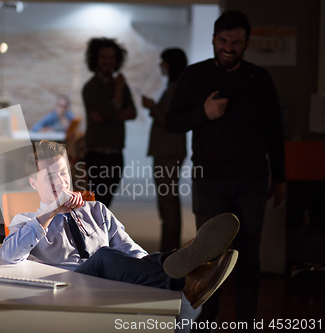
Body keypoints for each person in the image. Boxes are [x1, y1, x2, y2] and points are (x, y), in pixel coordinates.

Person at [1, 140, 240, 310]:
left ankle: (186, 266)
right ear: (33, 182)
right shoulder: (27, 221)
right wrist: (52, 210)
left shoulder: (95, 209)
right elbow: (9, 254)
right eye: (50, 177)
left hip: (110, 280)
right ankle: (187, 282)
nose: (61, 182)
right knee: (104, 256)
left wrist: (151, 263)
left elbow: (129, 249)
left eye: (63, 173)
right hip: (69, 284)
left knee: (140, 256)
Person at [166, 11, 286, 330]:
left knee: (248, 254)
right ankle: (209, 315)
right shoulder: (194, 76)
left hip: (253, 181)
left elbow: (275, 131)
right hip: (209, 181)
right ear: (214, 40)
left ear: (246, 43)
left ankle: (247, 320)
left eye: (236, 42)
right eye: (223, 41)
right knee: (210, 254)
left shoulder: (259, 78)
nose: (228, 47)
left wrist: (281, 178)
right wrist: (203, 113)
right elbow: (171, 122)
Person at [142, 48, 188, 252]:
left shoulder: (176, 88)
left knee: (168, 201)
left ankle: (170, 251)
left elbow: (170, 122)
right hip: (169, 150)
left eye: (164, 62)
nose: (161, 66)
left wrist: (152, 107)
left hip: (168, 151)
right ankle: (169, 249)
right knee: (168, 199)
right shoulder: (176, 87)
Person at [82, 37, 136, 208]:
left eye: (111, 57)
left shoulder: (119, 83)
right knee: (96, 203)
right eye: (103, 57)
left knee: (106, 203)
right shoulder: (91, 86)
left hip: (116, 153)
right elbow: (114, 112)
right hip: (97, 154)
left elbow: (133, 112)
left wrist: (109, 116)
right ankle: (93, 235)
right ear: (95, 59)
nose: (108, 61)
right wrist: (119, 91)